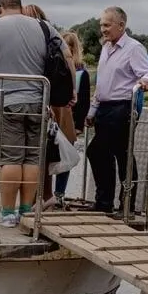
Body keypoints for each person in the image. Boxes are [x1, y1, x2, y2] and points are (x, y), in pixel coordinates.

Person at [0, 0, 65, 228]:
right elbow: (66, 55)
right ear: (20, 7)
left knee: (11, 158)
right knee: (32, 158)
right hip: (38, 101)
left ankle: (8, 213)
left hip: (8, 102)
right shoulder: (44, 27)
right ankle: (27, 210)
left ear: (0, 8)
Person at [86, 6, 148, 215]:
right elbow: (102, 83)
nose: (103, 29)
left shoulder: (134, 48)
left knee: (100, 151)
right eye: (101, 25)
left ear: (121, 25)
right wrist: (92, 111)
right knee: (115, 154)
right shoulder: (106, 48)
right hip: (104, 108)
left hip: (122, 107)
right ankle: (109, 203)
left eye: (107, 25)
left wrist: (145, 81)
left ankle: (121, 204)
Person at [22, 3, 76, 207]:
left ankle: (41, 197)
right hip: (57, 100)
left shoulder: (31, 37)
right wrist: (73, 91)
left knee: (39, 151)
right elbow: (69, 58)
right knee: (47, 152)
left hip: (43, 99)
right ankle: (47, 196)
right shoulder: (53, 36)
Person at [54, 30, 91, 208]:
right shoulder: (55, 65)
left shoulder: (82, 73)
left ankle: (60, 193)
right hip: (55, 116)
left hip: (69, 120)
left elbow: (83, 102)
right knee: (50, 156)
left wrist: (78, 126)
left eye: (69, 46)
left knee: (66, 159)